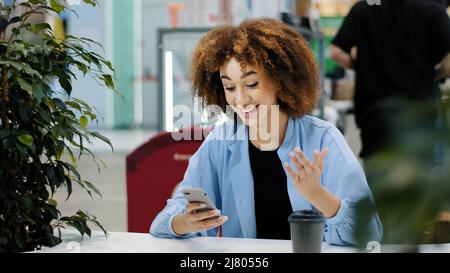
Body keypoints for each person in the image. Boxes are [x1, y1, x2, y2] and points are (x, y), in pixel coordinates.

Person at [150, 18, 382, 246]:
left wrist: (317, 195)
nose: (239, 99)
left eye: (251, 84)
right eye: (229, 87)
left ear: (280, 80)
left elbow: (370, 231)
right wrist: (186, 222)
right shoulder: (221, 141)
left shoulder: (323, 138)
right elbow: (162, 223)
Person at [330, 0, 450, 161]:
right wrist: (437, 74)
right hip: (419, 113)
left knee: (379, 180)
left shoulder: (363, 9)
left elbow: (336, 53)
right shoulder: (432, 9)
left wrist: (364, 68)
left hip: (376, 115)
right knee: (421, 179)